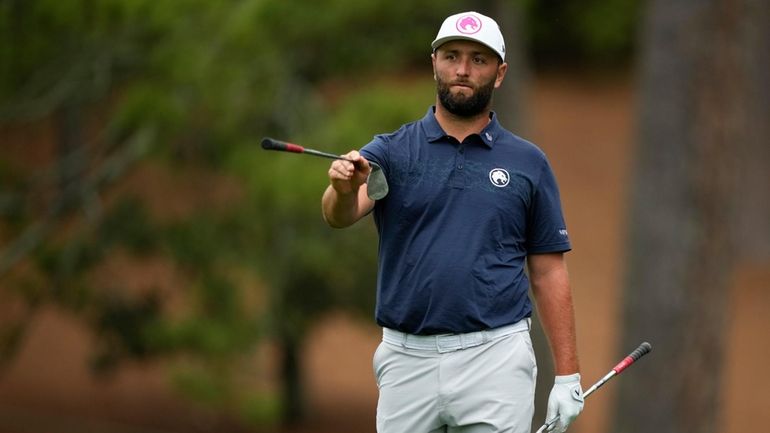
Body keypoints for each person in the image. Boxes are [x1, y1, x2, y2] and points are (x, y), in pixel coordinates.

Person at [321, 11, 583, 433]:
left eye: (478, 60)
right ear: (434, 63)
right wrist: (344, 187)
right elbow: (340, 213)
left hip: (496, 355)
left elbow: (549, 271)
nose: (462, 70)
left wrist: (567, 375)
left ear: (500, 74)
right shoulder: (392, 150)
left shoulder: (527, 162)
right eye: (451, 56)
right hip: (407, 358)